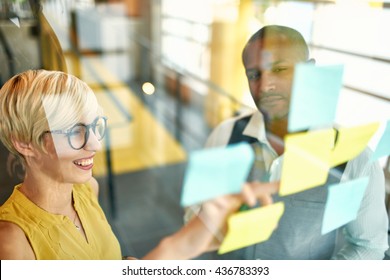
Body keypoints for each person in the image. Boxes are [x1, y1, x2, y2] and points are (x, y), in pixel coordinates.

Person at [0, 69, 279, 260]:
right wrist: (174, 249)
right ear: (24, 143)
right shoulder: (11, 242)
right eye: (73, 132)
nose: (95, 144)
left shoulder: (86, 189)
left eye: (95, 126)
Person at [186, 25, 389, 259]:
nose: (265, 86)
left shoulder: (355, 159)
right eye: (254, 75)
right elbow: (194, 211)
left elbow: (369, 246)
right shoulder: (224, 136)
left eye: (280, 69)